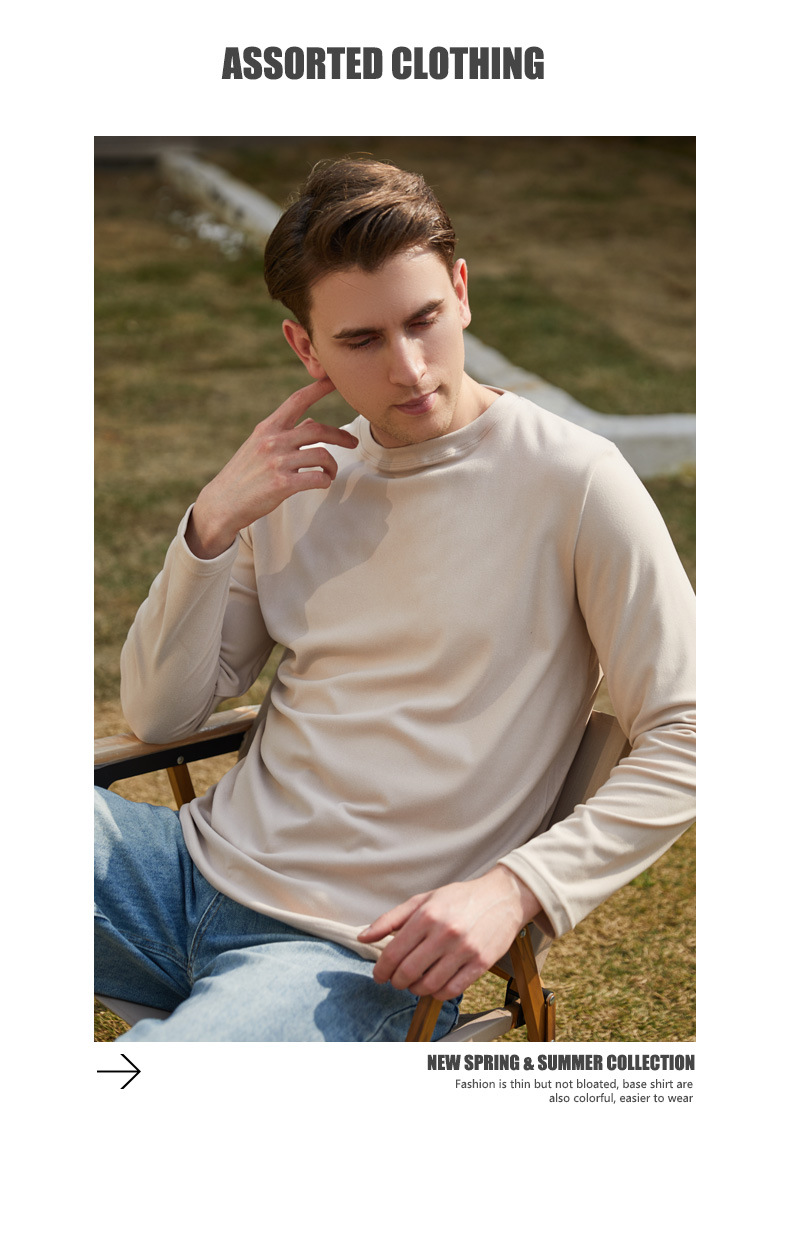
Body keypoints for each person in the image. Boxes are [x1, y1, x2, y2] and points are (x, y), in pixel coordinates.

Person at [94, 157, 696, 1041]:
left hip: (356, 955)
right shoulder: (298, 481)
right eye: (362, 340)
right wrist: (210, 526)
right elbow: (160, 711)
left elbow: (692, 730)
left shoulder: (575, 481)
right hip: (178, 873)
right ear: (306, 348)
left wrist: (515, 890)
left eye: (423, 320)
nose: (410, 369)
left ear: (461, 292)